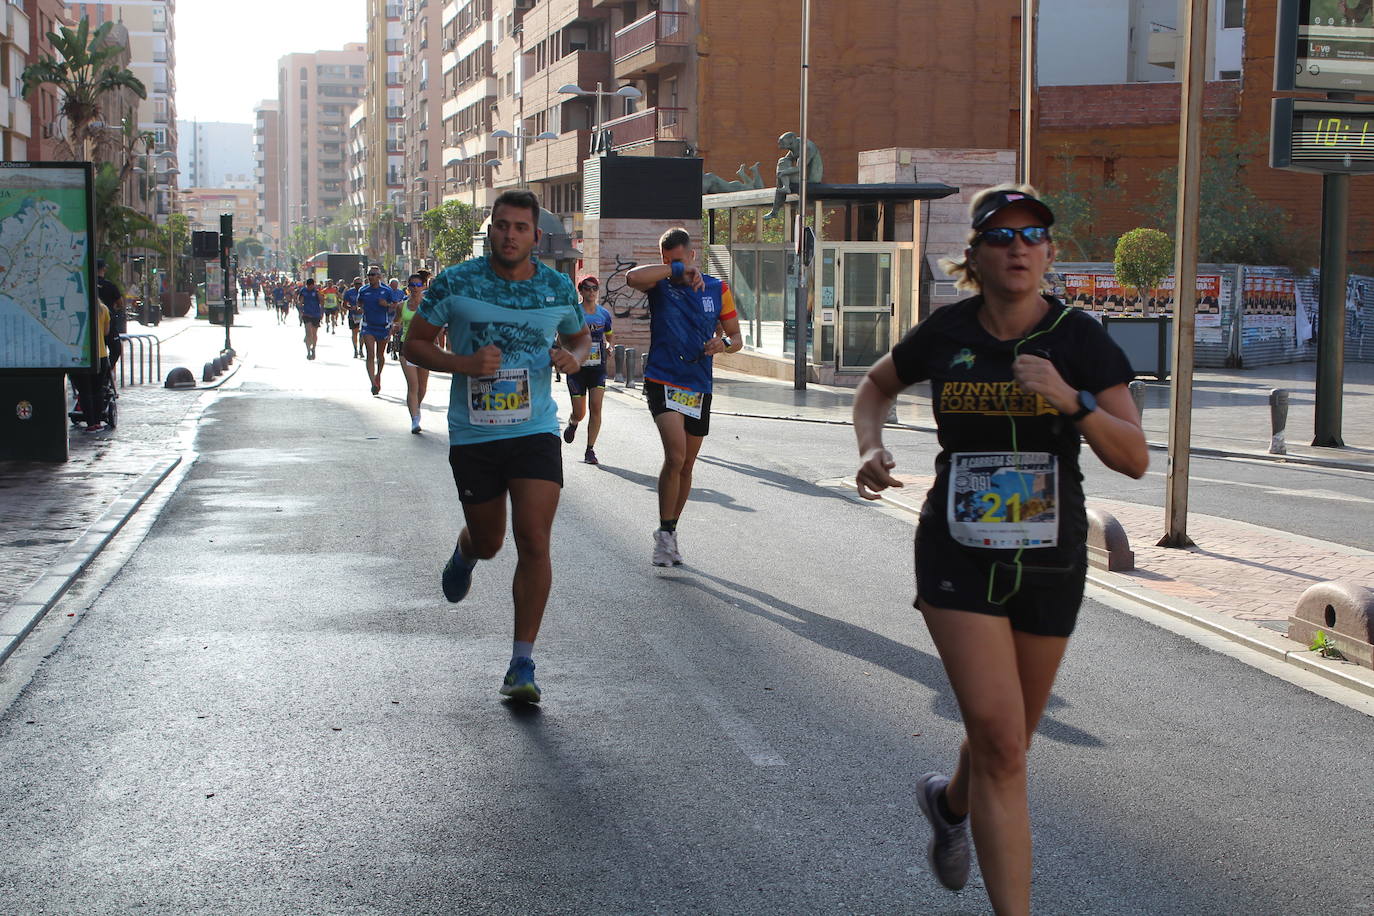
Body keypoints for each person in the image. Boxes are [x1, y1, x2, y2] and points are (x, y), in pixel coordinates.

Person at [851, 185, 1148, 916]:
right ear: (976, 256)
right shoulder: (947, 331)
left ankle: (950, 804)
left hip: (1050, 556)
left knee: (1005, 739)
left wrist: (1071, 401)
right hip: (957, 549)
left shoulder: (1080, 338)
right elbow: (874, 386)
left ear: (1048, 253)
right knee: (1002, 746)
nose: (1018, 246)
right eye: (1001, 235)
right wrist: (870, 445)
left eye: (1033, 234)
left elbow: (1135, 457)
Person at [403, 189, 589, 704]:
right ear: (492, 229)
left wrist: (573, 358)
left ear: (535, 235)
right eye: (502, 226)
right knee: (491, 542)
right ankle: (466, 551)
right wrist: (463, 364)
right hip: (475, 434)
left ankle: (521, 663)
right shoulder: (456, 281)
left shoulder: (556, 287)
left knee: (534, 540)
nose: (510, 235)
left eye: (520, 228)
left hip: (535, 431)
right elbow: (414, 343)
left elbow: (579, 339)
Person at [626, 227, 742, 567]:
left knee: (688, 464)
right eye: (667, 261)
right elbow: (633, 278)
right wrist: (674, 271)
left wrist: (723, 345)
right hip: (662, 379)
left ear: (693, 254)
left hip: (698, 384)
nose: (674, 266)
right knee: (675, 456)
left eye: (679, 260)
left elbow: (737, 338)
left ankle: (669, 531)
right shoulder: (660, 283)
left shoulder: (717, 289)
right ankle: (665, 533)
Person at [560, 274, 614, 465]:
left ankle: (590, 450)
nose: (591, 292)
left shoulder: (604, 314)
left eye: (594, 288)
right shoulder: (574, 313)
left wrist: (609, 346)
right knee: (580, 412)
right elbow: (562, 338)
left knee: (596, 407)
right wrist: (568, 352)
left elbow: (609, 335)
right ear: (580, 291)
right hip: (577, 369)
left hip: (597, 368)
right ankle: (573, 422)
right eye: (587, 288)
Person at [393, 272, 430, 434]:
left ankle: (417, 407)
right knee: (413, 385)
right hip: (406, 347)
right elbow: (396, 321)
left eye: (417, 285)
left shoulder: (429, 305)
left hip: (424, 348)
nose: (414, 288)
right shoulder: (402, 306)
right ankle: (414, 419)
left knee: (422, 387)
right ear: (407, 288)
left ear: (423, 287)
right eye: (411, 285)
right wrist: (395, 327)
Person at [358, 267, 403, 394]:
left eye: (373, 275)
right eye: (369, 275)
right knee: (370, 354)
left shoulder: (387, 290)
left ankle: (378, 375)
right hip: (368, 326)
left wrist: (387, 305)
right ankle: (373, 382)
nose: (370, 277)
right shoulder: (363, 290)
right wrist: (360, 308)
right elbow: (360, 303)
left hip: (382, 326)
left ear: (379, 277)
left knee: (380, 355)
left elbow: (396, 306)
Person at [298, 277, 323, 360]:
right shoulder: (303, 291)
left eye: (311, 286)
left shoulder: (316, 291)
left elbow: (321, 301)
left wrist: (321, 312)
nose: (309, 287)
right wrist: (301, 311)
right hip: (307, 314)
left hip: (316, 314)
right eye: (308, 286)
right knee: (308, 333)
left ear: (313, 285)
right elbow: (300, 301)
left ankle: (314, 349)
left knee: (314, 334)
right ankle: (308, 351)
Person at [343, 276, 364, 358]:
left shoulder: (364, 292)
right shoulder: (349, 292)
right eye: (356, 284)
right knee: (354, 333)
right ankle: (355, 349)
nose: (358, 285)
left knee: (362, 334)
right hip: (353, 316)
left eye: (359, 283)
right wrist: (350, 308)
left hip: (363, 316)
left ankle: (361, 349)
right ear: (353, 284)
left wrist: (363, 309)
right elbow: (344, 304)